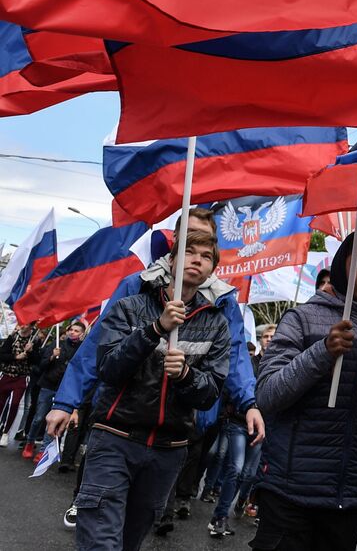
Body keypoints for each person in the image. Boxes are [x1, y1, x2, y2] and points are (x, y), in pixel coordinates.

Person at [48, 209, 263, 534]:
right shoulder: (137, 285)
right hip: (121, 425)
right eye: (190, 241)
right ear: (175, 244)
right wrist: (66, 402)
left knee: (139, 524)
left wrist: (248, 402)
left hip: (177, 433)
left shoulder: (223, 302)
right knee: (102, 527)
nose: (197, 252)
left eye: (207, 244)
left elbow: (235, 354)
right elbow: (97, 348)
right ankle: (88, 499)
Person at [76, 229, 232, 551]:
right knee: (102, 543)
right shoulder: (130, 306)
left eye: (206, 257)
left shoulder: (217, 323)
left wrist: (187, 375)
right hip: (115, 439)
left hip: (167, 450)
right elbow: (109, 368)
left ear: (212, 269)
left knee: (129, 542)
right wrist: (155, 330)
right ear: (171, 261)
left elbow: (210, 393)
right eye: (190, 252)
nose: (197, 260)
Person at [253, 230, 357, 550]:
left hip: (347, 502)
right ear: (342, 265)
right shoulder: (301, 319)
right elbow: (268, 395)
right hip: (287, 494)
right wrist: (322, 352)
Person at [208, 341, 265, 538]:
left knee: (248, 474)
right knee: (235, 468)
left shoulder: (280, 369)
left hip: (261, 427)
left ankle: (223, 512)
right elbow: (234, 387)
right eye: (267, 336)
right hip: (238, 423)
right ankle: (220, 516)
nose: (270, 340)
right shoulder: (249, 365)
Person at [22, 318, 86, 459]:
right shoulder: (57, 344)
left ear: (82, 334)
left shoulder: (82, 350)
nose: (72, 332)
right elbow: (41, 364)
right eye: (71, 330)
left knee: (53, 422)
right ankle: (30, 442)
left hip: (64, 390)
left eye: (76, 331)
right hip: (48, 385)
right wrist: (52, 356)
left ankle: (43, 450)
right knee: (39, 418)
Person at [0, 321, 40, 445]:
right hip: (6, 375)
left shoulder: (35, 340)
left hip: (21, 377)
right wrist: (15, 357)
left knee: (14, 403)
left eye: (26, 324)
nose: (23, 326)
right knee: (1, 403)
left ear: (31, 326)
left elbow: (36, 361)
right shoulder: (12, 337)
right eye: (21, 323)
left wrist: (31, 351)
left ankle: (5, 433)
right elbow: (1, 355)